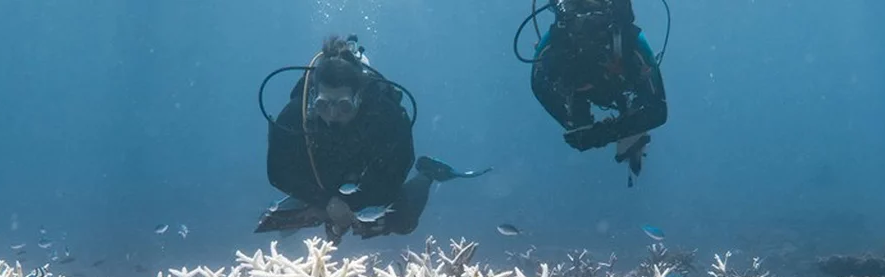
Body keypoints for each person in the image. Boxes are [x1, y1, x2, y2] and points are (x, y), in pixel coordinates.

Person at [260, 35, 489, 242]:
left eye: (343, 106)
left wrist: (354, 208)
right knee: (278, 217)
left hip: (369, 181)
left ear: (359, 98)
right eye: (323, 105)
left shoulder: (386, 114)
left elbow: (397, 171)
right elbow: (277, 172)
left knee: (404, 222)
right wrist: (326, 203)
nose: (332, 115)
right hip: (319, 180)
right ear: (313, 96)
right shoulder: (296, 113)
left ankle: (428, 173)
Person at [530, 0, 667, 187]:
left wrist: (600, 134)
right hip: (585, 89)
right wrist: (576, 127)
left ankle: (623, 120)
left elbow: (658, 110)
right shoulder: (555, 44)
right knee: (580, 120)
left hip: (620, 84)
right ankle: (597, 121)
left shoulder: (629, 40)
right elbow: (539, 86)